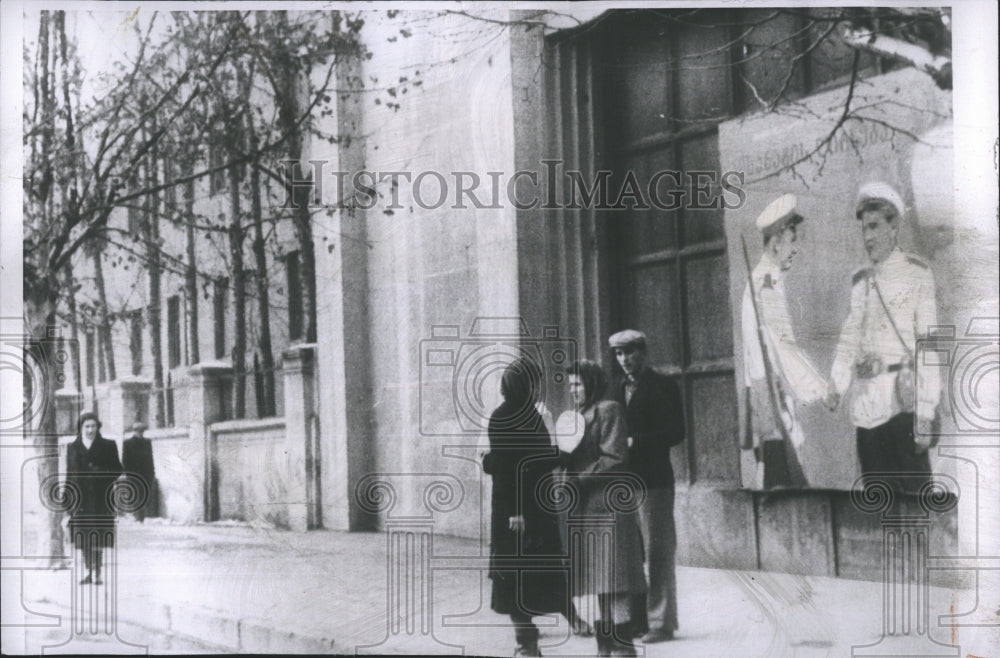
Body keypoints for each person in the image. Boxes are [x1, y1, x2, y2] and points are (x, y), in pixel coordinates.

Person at [825, 182, 940, 491]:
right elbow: (850, 337)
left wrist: (926, 412)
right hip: (868, 410)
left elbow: (928, 346)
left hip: (904, 407)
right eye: (864, 229)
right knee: (878, 502)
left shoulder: (917, 274)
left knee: (915, 501)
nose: (868, 237)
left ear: (893, 227)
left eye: (875, 227)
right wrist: (836, 384)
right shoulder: (861, 282)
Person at [740, 194, 827, 489]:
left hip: (769, 395)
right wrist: (818, 388)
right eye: (792, 239)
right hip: (771, 400)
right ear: (776, 241)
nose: (796, 248)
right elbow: (782, 347)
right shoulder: (765, 284)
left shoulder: (766, 279)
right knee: (783, 487)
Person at [483, 358, 568, 657]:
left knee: (530, 578)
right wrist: (515, 511)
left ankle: (529, 642)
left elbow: (534, 457)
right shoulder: (503, 416)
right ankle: (526, 644)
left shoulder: (529, 414)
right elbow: (508, 468)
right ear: (520, 384)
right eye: (532, 382)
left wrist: (564, 454)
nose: (536, 388)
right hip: (516, 512)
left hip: (537, 508)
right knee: (516, 579)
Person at [562, 360, 646, 657]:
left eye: (578, 384)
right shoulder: (576, 417)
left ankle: (624, 649)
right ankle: (605, 648)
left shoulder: (609, 410)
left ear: (592, 384)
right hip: (587, 508)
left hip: (609, 506)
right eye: (570, 384)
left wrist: (579, 479)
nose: (573, 390)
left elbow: (615, 457)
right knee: (600, 579)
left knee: (616, 580)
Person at [608, 329, 684, 643]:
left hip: (654, 483)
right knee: (629, 553)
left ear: (643, 352)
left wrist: (634, 442)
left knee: (658, 552)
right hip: (622, 482)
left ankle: (661, 623)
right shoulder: (614, 389)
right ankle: (635, 620)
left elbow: (676, 432)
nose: (624, 360)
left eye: (630, 352)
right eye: (619, 354)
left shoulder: (663, 386)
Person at [66, 411, 123, 585]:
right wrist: (67, 501)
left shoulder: (108, 445)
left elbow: (117, 470)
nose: (90, 430)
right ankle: (89, 570)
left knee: (97, 535)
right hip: (80, 500)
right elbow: (69, 474)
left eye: (93, 426)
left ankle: (97, 572)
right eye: (87, 426)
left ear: (98, 427)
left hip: (100, 499)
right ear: (81, 428)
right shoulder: (72, 447)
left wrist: (100, 474)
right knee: (82, 537)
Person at [122, 421, 156, 522]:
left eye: (142, 431)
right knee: (137, 495)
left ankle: (142, 517)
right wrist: (127, 473)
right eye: (139, 431)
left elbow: (150, 458)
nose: (140, 433)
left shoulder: (147, 442)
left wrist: (152, 472)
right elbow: (125, 459)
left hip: (146, 473)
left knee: (144, 495)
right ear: (134, 431)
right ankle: (138, 517)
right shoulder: (127, 443)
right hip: (134, 474)